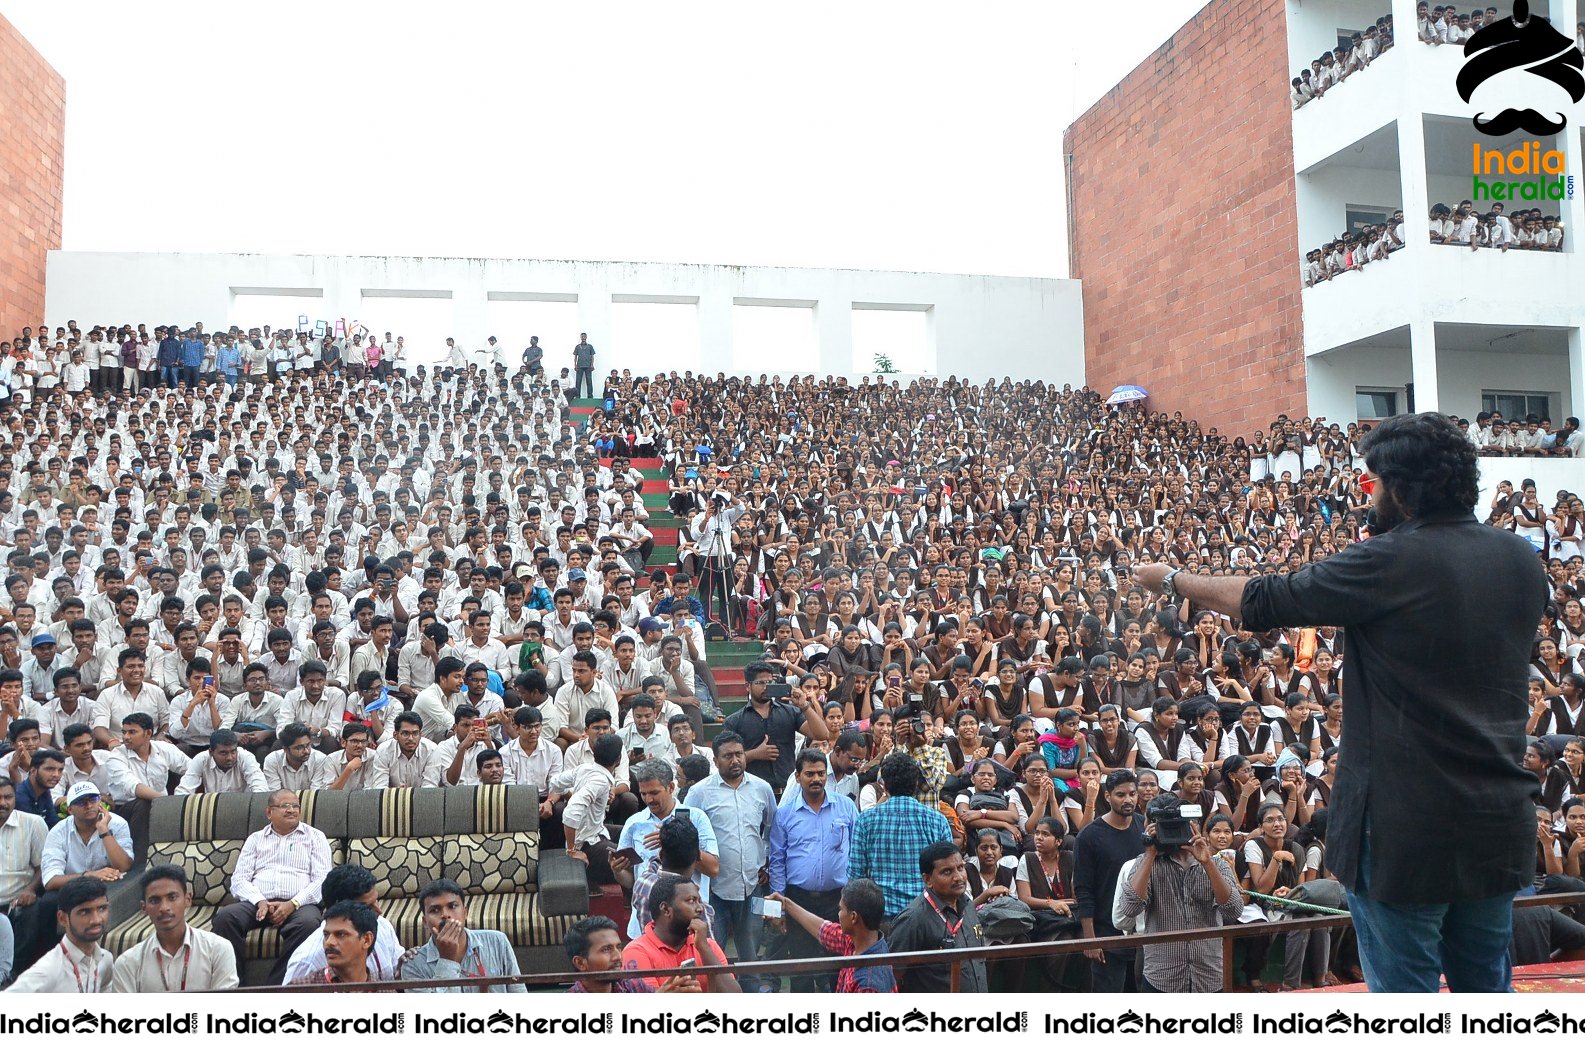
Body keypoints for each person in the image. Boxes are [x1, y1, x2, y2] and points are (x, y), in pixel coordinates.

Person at [1138, 412, 1547, 993]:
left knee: (1406, 1000)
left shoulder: (1390, 560)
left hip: (1405, 829)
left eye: (1372, 481)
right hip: (1497, 820)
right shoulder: (1521, 560)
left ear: (1401, 488)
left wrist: (1175, 579)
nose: (1368, 494)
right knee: (1488, 993)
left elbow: (1265, 599)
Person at [1114, 794, 1241, 992]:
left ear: (1194, 825)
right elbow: (1129, 908)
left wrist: (1207, 863)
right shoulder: (1146, 863)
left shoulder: (1215, 863)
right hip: (1162, 977)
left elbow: (1233, 909)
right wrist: (1150, 854)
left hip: (1209, 975)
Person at [685, 730, 778, 984]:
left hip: (752, 886)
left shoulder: (762, 788)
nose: (735, 760)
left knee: (750, 953)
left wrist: (765, 860)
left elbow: (772, 829)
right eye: (727, 756)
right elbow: (686, 834)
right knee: (711, 954)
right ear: (715, 760)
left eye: (739, 754)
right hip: (712, 889)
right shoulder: (699, 792)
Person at [212, 788, 332, 984]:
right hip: (257, 903)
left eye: (295, 806)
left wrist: (292, 904)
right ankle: (233, 986)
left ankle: (277, 987)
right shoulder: (256, 839)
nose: (292, 810)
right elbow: (239, 880)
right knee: (225, 918)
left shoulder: (315, 837)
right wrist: (260, 901)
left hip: (300, 904)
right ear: (269, 812)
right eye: (285, 806)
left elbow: (322, 880)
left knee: (309, 924)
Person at [767, 746, 859, 989]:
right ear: (797, 777)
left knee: (839, 966)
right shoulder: (784, 814)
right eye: (809, 774)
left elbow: (857, 853)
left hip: (838, 901)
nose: (816, 779)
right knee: (801, 967)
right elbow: (777, 860)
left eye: (820, 773)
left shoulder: (846, 807)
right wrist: (780, 904)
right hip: (799, 901)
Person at [847, 752, 952, 920]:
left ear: (885, 786)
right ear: (916, 783)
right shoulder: (937, 821)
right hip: (926, 915)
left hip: (880, 917)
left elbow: (855, 876)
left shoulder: (865, 820)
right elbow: (949, 873)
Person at [1073, 769, 1146, 993]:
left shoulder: (1143, 826)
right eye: (1121, 795)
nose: (1128, 800)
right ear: (1108, 796)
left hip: (1142, 932)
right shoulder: (1089, 836)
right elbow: (1083, 890)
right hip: (1106, 933)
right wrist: (1090, 939)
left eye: (1132, 794)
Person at [110, 865, 239, 991]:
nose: (164, 907)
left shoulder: (218, 949)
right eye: (155, 900)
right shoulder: (128, 963)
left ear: (187, 900)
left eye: (172, 897)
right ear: (144, 908)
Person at [887, 840, 989, 992]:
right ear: (928, 880)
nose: (958, 877)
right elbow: (892, 975)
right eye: (947, 872)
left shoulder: (968, 906)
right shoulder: (913, 919)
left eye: (960, 868)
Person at [281, 863, 404, 984]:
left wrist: (406, 968)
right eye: (367, 907)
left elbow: (397, 977)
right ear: (339, 908)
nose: (379, 911)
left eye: (376, 900)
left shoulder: (383, 926)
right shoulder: (308, 962)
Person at [394, 879, 524, 992]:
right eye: (435, 910)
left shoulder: (497, 941)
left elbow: (519, 994)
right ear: (425, 922)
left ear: (465, 912)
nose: (445, 915)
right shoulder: (412, 966)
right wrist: (447, 960)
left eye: (452, 906)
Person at [620, 872, 742, 992]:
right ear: (666, 909)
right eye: (691, 901)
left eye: (699, 901)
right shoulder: (637, 951)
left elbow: (735, 999)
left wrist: (704, 948)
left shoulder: (708, 945)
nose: (699, 908)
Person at [767, 878, 895, 992]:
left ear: (853, 917)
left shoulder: (868, 985)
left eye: (841, 909)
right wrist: (786, 904)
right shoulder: (860, 941)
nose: (838, 914)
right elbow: (822, 929)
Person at [2, 876, 113, 993]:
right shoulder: (47, 971)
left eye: (102, 908)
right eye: (84, 912)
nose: (96, 920)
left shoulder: (105, 960)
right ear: (62, 918)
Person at [564, 915, 699, 993]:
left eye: (619, 947)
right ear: (581, 963)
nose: (618, 956)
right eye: (606, 949)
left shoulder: (632, 986)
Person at [0, 777, 47, 975]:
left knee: (32, 913)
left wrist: (30, 890)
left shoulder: (32, 823)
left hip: (18, 900)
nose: (2, 803)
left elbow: (44, 866)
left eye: (8, 797)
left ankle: (15, 978)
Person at [288, 900, 379, 986]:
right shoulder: (301, 990)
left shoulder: (384, 991)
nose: (329, 942)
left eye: (341, 934)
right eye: (326, 934)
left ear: (366, 940)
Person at [572, 333, 595, 399]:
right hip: (579, 366)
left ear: (586, 337)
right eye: (582, 336)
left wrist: (592, 364)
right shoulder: (577, 346)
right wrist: (575, 365)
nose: (583, 337)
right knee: (578, 381)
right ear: (580, 337)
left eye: (584, 336)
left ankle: (590, 396)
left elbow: (592, 356)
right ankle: (577, 396)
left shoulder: (590, 346)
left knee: (589, 381)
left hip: (588, 366)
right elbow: (575, 356)